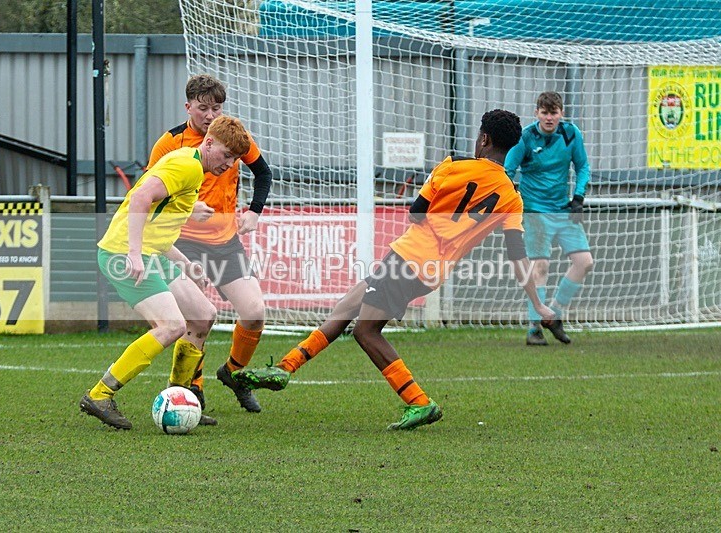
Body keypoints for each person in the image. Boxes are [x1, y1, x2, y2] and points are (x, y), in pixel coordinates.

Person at [233, 109, 555, 430]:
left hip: (408, 256)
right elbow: (517, 253)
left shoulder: (453, 165)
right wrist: (538, 303)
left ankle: (418, 401)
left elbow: (417, 213)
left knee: (366, 331)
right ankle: (286, 368)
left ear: (483, 138)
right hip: (432, 271)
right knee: (347, 305)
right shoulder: (512, 197)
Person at [79, 115, 251, 430]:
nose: (229, 164)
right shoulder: (187, 166)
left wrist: (185, 263)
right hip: (122, 253)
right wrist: (133, 253)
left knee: (203, 314)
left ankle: (180, 395)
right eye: (227, 155)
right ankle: (100, 395)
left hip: (150, 252)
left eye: (235, 159)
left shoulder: (194, 166)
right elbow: (142, 198)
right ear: (209, 143)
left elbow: (158, 225)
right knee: (171, 325)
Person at [147, 74, 273, 415]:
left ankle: (232, 374)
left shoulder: (232, 137)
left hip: (225, 241)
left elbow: (263, 173)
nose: (209, 114)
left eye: (216, 108)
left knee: (254, 312)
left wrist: (254, 212)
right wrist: (188, 210)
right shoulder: (170, 143)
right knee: (197, 318)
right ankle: (192, 391)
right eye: (203, 108)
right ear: (188, 107)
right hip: (182, 241)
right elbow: (148, 196)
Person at [504, 91, 594, 346]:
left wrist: (578, 197)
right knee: (540, 267)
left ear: (561, 113)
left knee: (584, 262)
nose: (549, 118)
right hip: (534, 211)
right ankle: (534, 328)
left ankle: (553, 314)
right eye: (544, 113)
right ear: (537, 114)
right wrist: (511, 195)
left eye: (554, 113)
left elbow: (583, 166)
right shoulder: (526, 137)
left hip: (563, 209)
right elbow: (508, 170)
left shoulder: (570, 134)